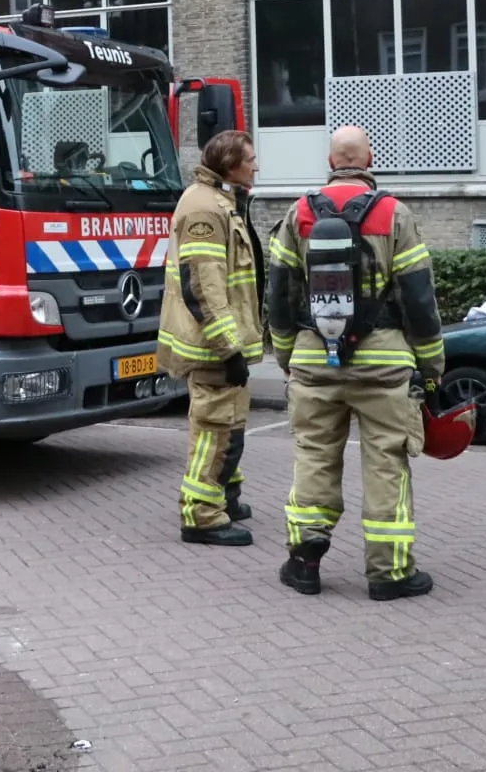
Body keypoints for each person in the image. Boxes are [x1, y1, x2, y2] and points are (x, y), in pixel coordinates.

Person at [266, 126, 445, 600]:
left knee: (314, 456)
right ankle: (389, 575)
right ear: (371, 158)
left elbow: (280, 292)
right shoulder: (394, 214)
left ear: (330, 161)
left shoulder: (298, 213)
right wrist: (431, 363)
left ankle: (304, 563)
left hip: (312, 358)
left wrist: (286, 353)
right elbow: (419, 298)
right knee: (386, 460)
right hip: (384, 363)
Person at [158, 129, 265, 546]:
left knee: (229, 424)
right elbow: (203, 287)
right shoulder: (205, 208)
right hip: (212, 349)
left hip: (221, 345)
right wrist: (229, 348)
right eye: (251, 158)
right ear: (229, 164)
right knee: (213, 428)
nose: (257, 165)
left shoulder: (221, 200)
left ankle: (225, 497)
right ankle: (202, 516)